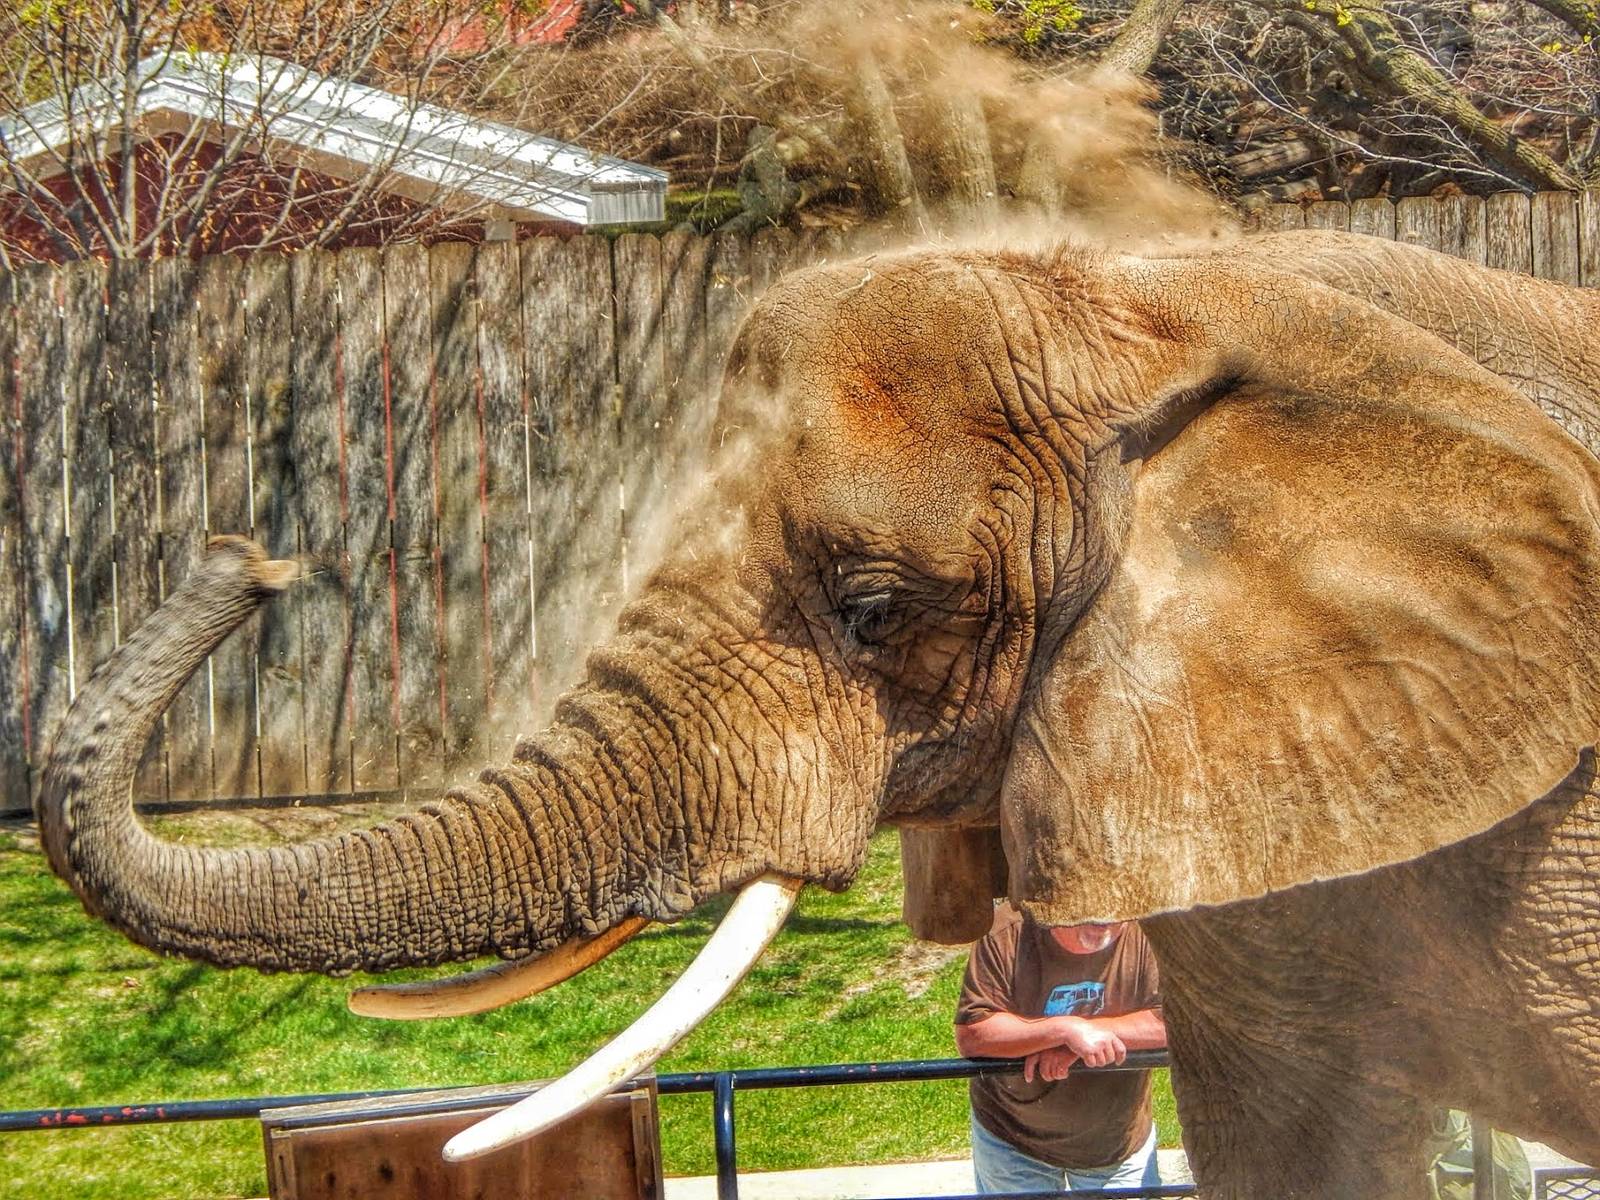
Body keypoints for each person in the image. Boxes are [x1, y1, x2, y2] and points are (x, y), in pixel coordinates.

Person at [955, 905, 1167, 1194]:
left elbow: (1171, 1022)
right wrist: (1062, 1031)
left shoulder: (1149, 931)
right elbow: (974, 1032)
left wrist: (1086, 1039)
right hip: (1013, 1138)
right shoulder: (1007, 930)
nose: (1103, 919)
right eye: (1089, 906)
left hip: (1116, 1142)